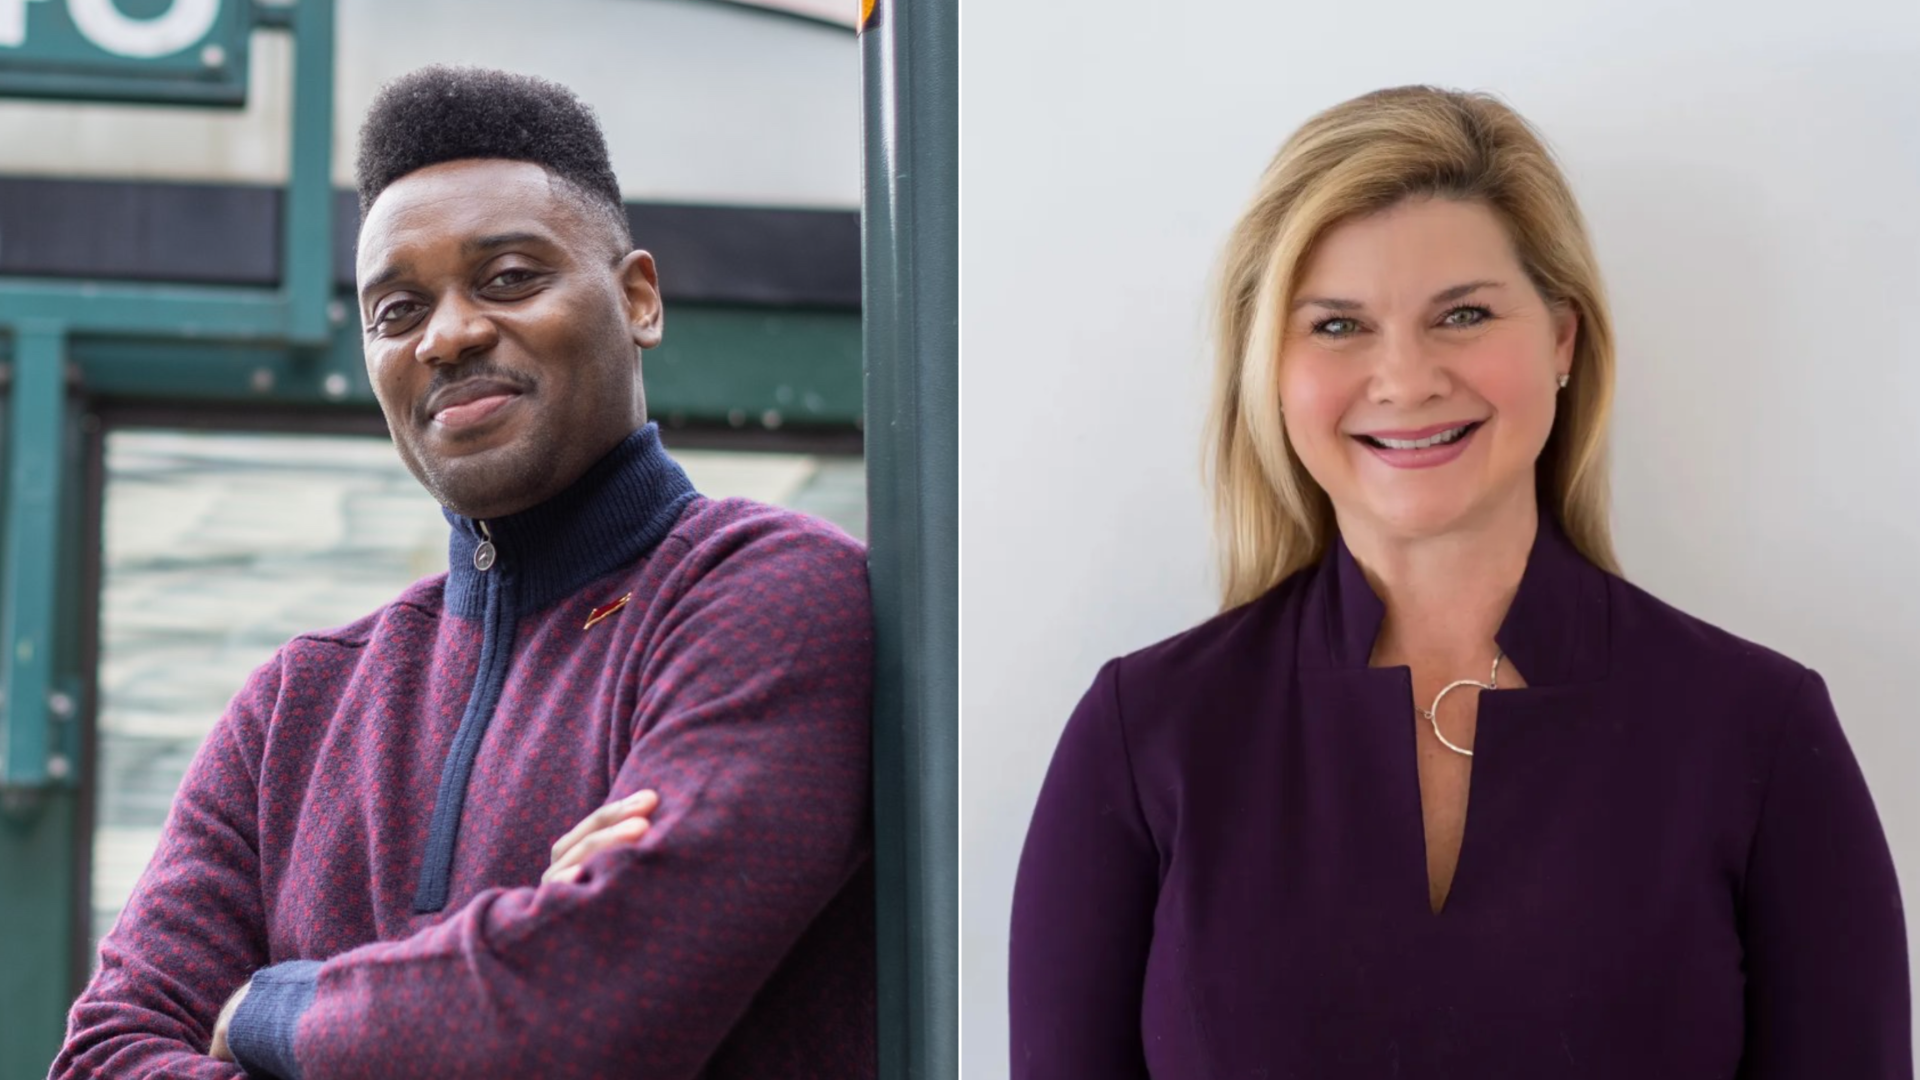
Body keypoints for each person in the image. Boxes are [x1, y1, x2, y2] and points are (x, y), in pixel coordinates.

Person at [1009, 86, 1910, 1077]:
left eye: (1465, 315)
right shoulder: (1146, 738)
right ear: (1270, 366)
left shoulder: (1760, 733)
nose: (1405, 379)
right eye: (1339, 327)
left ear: (1562, 338)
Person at [53, 66, 876, 1080]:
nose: (448, 334)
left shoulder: (766, 595)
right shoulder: (295, 708)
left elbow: (577, 1017)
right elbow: (101, 1057)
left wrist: (272, 1005)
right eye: (398, 310)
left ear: (638, 299)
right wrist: (518, 955)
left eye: (510, 278)